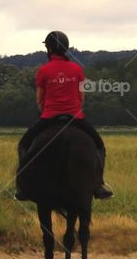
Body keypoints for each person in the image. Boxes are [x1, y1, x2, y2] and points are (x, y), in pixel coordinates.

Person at [15, 31, 113, 200]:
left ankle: (23, 187)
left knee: (23, 145)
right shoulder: (77, 69)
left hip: (49, 117)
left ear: (49, 49)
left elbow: (40, 99)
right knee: (99, 146)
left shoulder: (43, 71)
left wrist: (46, 111)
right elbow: (81, 97)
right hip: (75, 118)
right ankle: (98, 184)